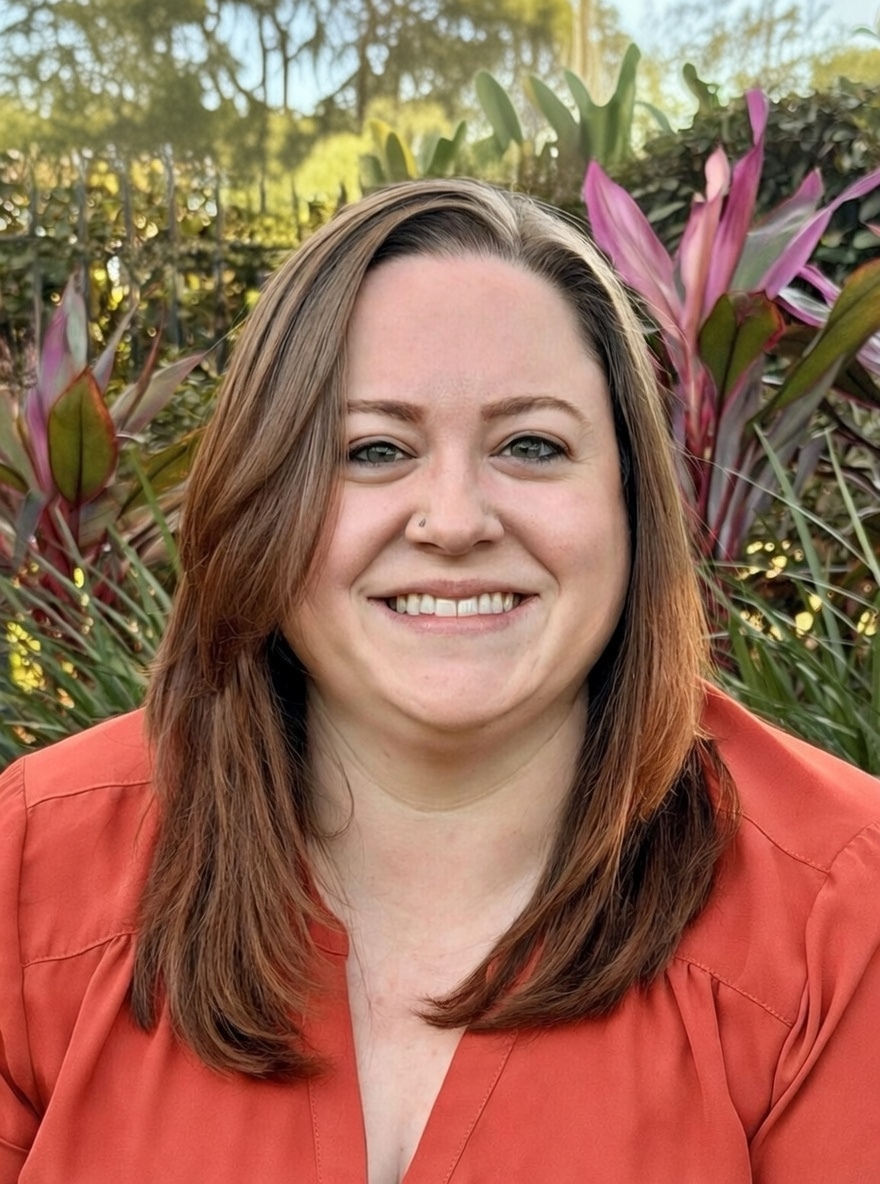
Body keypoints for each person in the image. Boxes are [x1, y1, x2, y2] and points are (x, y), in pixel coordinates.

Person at [1, 178, 878, 1184]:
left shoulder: (840, 915)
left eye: (531, 445)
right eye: (374, 449)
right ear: (264, 496)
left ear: (631, 502)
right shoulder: (33, 870)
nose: (455, 520)